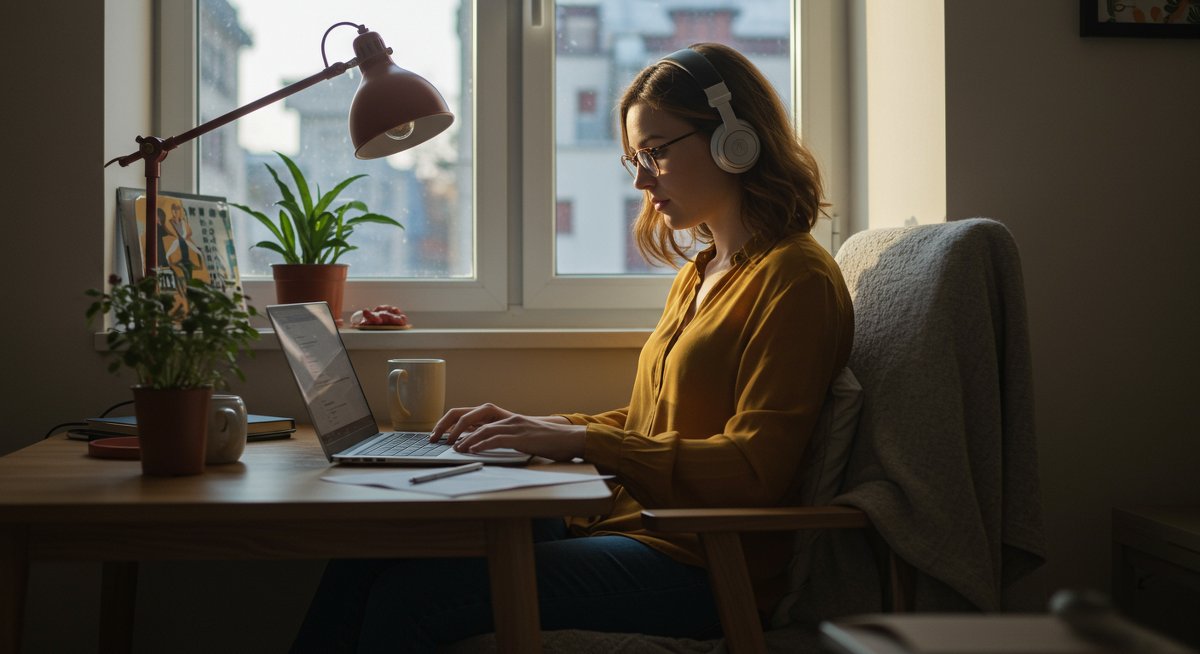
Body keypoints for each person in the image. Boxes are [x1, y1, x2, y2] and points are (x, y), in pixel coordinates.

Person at [290, 42, 854, 653]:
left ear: (734, 139)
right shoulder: (705, 271)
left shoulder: (796, 279)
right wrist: (540, 425)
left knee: (413, 600)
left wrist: (583, 440)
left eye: (656, 153)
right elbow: (654, 425)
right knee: (373, 552)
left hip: (701, 563)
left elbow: (752, 470)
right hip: (630, 523)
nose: (641, 179)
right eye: (633, 158)